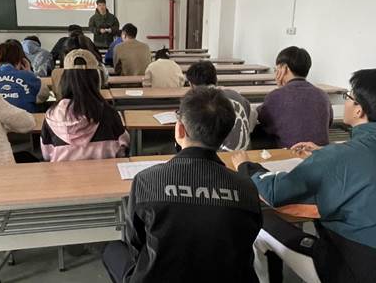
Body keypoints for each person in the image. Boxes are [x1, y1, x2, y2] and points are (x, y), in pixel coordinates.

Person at [233, 69, 376, 283]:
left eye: (348, 96)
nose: (346, 101)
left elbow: (275, 193)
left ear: (359, 110)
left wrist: (246, 167)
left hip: (354, 269)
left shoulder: (339, 157)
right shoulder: (340, 153)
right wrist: (324, 154)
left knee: (261, 223)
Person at [103, 87, 262, 283]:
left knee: (113, 250)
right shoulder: (246, 187)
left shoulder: (147, 180)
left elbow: (135, 242)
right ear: (226, 134)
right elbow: (247, 239)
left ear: (179, 129)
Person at [41, 49, 129, 162]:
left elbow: (46, 155)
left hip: (62, 173)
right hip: (105, 172)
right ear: (97, 80)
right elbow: (123, 146)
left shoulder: (51, 115)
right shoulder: (109, 113)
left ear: (64, 80)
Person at [254, 46, 333, 149]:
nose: (276, 72)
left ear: (284, 68)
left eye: (276, 69)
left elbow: (263, 119)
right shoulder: (323, 95)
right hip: (320, 153)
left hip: (290, 153)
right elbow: (328, 123)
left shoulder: (276, 96)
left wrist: (280, 90)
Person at [186, 60, 252, 150]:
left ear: (191, 85)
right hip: (245, 152)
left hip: (218, 156)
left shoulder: (198, 103)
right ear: (216, 80)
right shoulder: (237, 96)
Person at [0, 41, 50, 113]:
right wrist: (30, 73)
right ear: (21, 61)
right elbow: (45, 95)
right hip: (24, 117)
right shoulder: (28, 76)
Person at [51, 35, 109, 99]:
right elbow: (104, 86)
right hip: (94, 102)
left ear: (65, 55)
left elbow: (56, 94)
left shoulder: (56, 73)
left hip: (65, 104)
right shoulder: (100, 70)